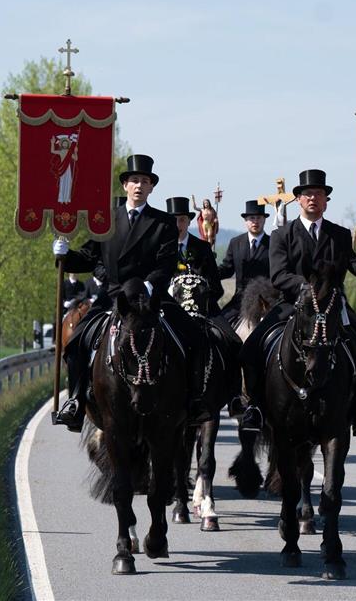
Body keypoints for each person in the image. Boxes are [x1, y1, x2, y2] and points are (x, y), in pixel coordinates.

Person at [51, 154, 210, 432]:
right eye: (134, 180)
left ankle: (194, 401)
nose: (139, 185)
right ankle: (76, 401)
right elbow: (89, 257)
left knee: (195, 336)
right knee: (76, 343)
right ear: (125, 185)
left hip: (150, 298)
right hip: (112, 297)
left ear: (151, 188)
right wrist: (65, 255)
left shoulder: (163, 223)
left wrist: (148, 286)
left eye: (145, 181)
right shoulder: (105, 219)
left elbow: (166, 262)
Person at [239, 169, 356, 436]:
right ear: (299, 200)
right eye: (307, 194)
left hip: (333, 305)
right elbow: (278, 274)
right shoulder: (283, 235)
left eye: (319, 194)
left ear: (326, 201)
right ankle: (255, 407)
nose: (313, 198)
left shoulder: (339, 234)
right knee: (251, 347)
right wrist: (305, 289)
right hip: (293, 304)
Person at [216, 200, 271, 326]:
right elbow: (227, 269)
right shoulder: (236, 242)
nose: (255, 221)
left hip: (266, 300)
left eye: (259, 218)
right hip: (240, 299)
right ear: (245, 221)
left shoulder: (273, 243)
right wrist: (209, 270)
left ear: (264, 220)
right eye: (252, 218)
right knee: (221, 326)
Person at [166, 196, 223, 315]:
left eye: (182, 220)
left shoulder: (203, 248)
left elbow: (216, 287)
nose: (178, 225)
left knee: (226, 333)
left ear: (189, 221)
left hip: (203, 309)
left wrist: (202, 302)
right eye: (174, 220)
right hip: (170, 309)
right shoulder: (161, 249)